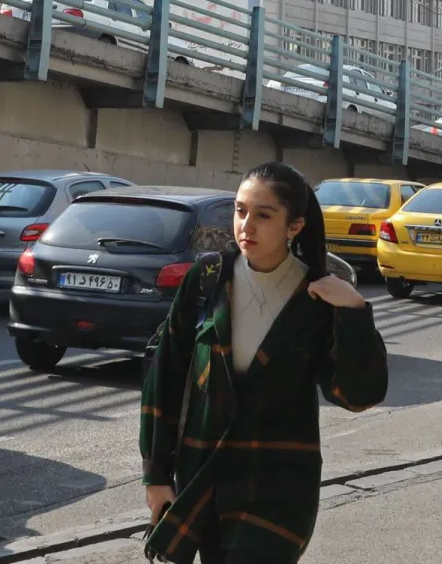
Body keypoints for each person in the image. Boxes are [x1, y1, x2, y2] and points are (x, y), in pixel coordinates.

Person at [140, 162, 389, 564]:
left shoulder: (318, 298)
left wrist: (356, 312)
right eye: (240, 211)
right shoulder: (207, 279)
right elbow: (163, 377)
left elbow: (358, 395)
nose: (246, 226)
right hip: (204, 478)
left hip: (278, 489)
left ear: (294, 226)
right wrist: (155, 474)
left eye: (263, 215)